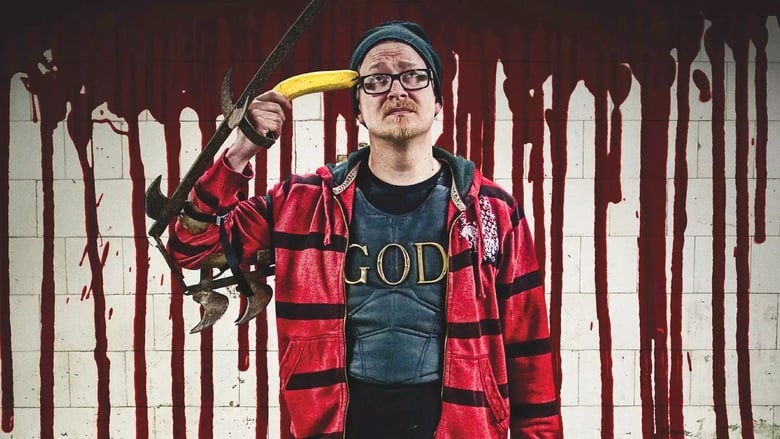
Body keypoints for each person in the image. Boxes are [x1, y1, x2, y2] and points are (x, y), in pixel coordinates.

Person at [170, 20, 561, 439]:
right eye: (376, 79)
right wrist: (240, 152)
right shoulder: (302, 204)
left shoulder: (491, 211)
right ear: (358, 109)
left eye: (413, 75)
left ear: (437, 102)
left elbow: (529, 350)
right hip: (333, 428)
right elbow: (192, 247)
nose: (396, 90)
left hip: (463, 428)